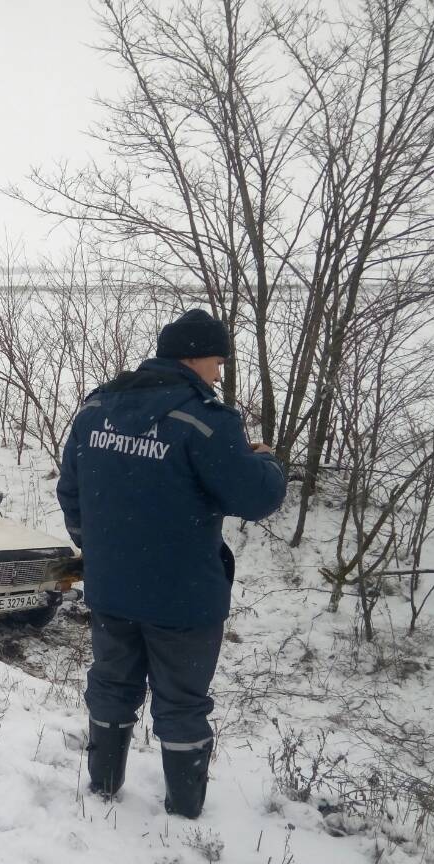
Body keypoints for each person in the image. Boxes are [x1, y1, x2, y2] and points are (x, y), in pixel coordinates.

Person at [56, 308, 286, 818]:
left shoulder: (96, 410)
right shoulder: (204, 420)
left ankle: (104, 789)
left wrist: (96, 548)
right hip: (182, 597)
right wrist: (267, 461)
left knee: (112, 684)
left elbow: (71, 491)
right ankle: (184, 814)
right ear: (195, 357)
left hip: (113, 588)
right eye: (217, 363)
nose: (219, 374)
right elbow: (256, 498)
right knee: (181, 701)